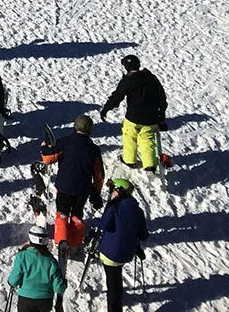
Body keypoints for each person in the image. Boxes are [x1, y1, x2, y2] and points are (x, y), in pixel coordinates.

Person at [39, 114, 105, 250]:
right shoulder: (94, 149)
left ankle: (61, 242)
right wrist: (96, 191)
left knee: (62, 214)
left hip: (64, 186)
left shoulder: (66, 142)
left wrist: (44, 147)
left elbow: (48, 158)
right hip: (82, 190)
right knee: (77, 215)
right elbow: (99, 174)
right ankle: (75, 244)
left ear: (75, 127)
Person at [100, 54, 167, 172]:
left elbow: (117, 97)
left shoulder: (128, 81)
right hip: (151, 118)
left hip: (133, 117)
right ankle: (150, 164)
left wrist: (106, 109)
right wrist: (161, 115)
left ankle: (129, 160)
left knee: (129, 136)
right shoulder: (151, 78)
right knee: (147, 139)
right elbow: (161, 97)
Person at [98, 179, 149, 312]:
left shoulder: (114, 207)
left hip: (109, 253)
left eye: (113, 190)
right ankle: (118, 297)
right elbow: (143, 235)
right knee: (116, 274)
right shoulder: (138, 210)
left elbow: (104, 225)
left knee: (112, 281)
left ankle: (115, 307)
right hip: (126, 254)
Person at [7, 222, 67, 312]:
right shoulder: (51, 261)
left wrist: (11, 282)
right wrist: (64, 283)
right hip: (45, 301)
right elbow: (58, 288)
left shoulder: (22, 256)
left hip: (25, 299)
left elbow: (14, 279)